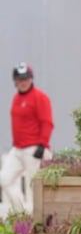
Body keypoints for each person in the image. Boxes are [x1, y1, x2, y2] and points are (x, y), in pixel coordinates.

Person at [0, 62, 54, 213]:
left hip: (34, 148)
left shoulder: (40, 97)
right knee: (5, 179)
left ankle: (35, 220)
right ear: (15, 81)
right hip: (18, 148)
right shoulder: (16, 98)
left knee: (33, 187)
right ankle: (21, 213)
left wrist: (42, 145)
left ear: (31, 78)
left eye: (26, 78)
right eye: (20, 79)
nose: (23, 82)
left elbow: (47, 122)